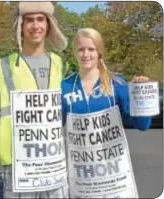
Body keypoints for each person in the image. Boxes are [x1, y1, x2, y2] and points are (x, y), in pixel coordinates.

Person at [0, 2, 69, 198]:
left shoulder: (60, 64)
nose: (35, 26)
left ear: (49, 24)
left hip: (54, 166)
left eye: (40, 19)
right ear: (21, 26)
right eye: (29, 20)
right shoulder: (3, 66)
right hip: (18, 168)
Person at [61, 28, 152, 198]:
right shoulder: (65, 86)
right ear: (75, 52)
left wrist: (140, 95)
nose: (85, 54)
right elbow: (52, 125)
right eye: (81, 49)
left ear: (99, 52)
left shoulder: (116, 83)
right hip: (82, 181)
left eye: (91, 49)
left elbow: (143, 125)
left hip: (114, 180)